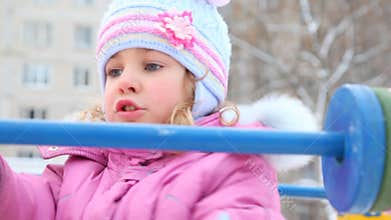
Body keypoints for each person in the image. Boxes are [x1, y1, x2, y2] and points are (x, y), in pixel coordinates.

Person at [0, 0, 318, 219]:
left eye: (151, 66)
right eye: (114, 71)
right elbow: (27, 205)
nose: (126, 82)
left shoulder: (231, 164)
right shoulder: (86, 164)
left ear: (199, 85)